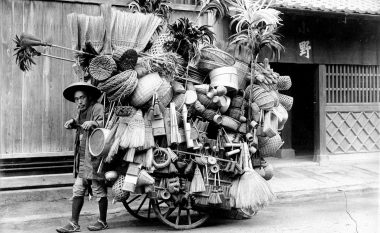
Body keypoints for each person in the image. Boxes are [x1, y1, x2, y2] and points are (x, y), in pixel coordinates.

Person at [57, 82, 108, 232]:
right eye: (76, 99)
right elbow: (80, 125)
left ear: (89, 96)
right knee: (78, 189)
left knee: (98, 189)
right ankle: (74, 223)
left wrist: (94, 123)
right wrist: (73, 123)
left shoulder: (97, 107)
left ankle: (102, 221)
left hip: (94, 156)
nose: (79, 101)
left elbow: (104, 125)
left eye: (82, 97)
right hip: (82, 157)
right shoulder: (80, 111)